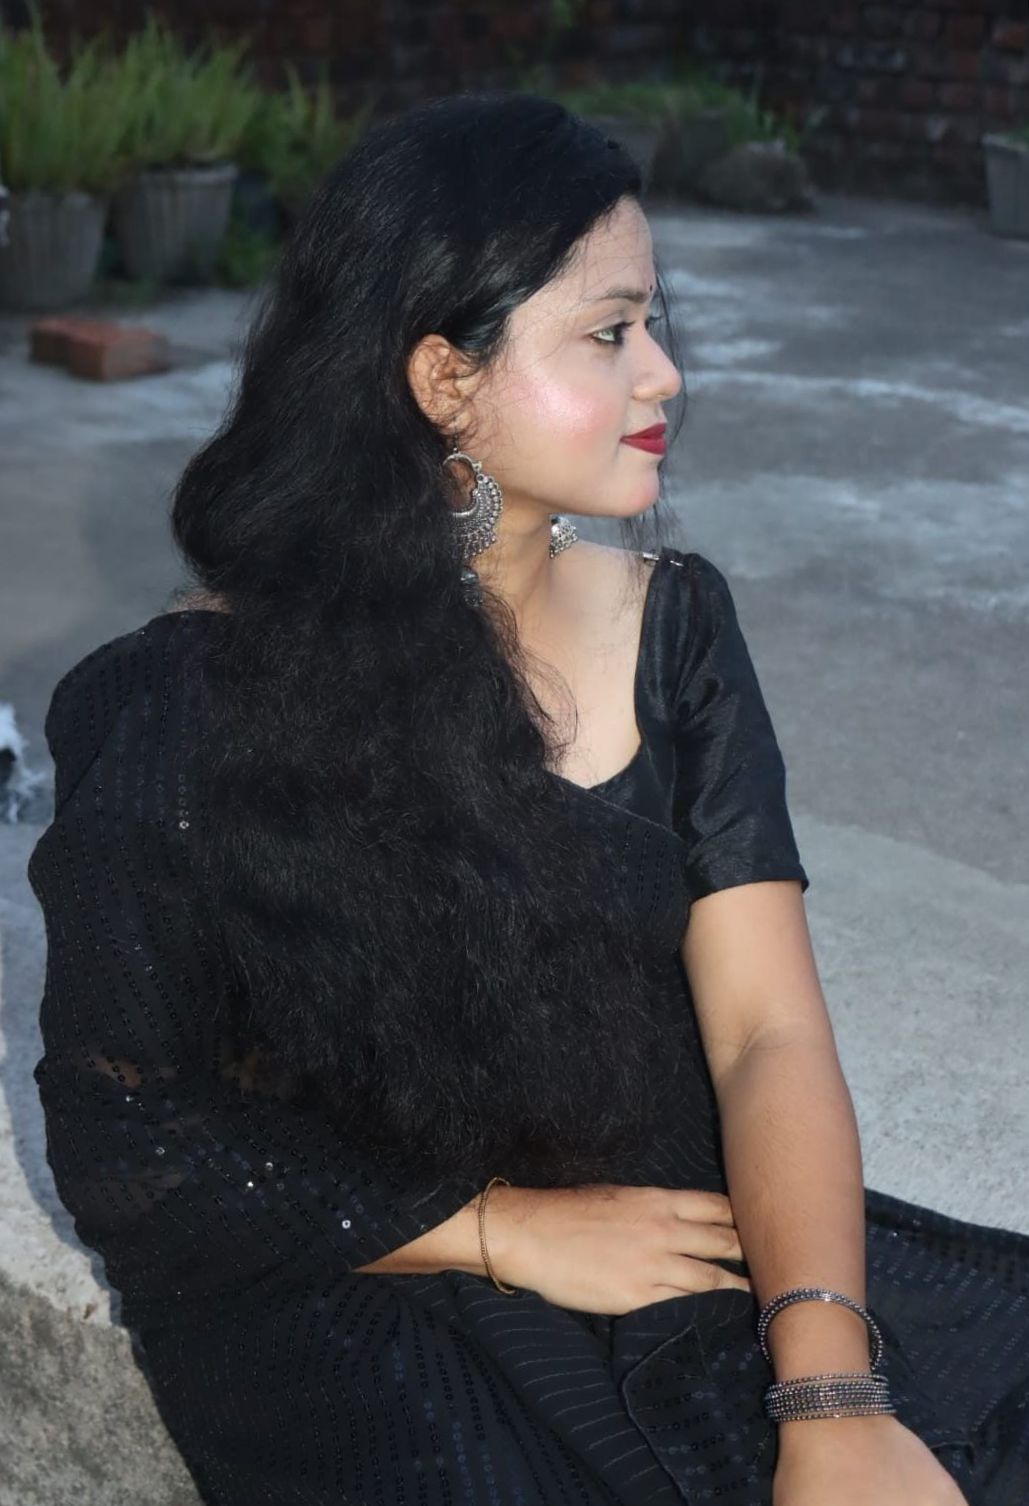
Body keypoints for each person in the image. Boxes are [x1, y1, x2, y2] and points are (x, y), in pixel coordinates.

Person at [28, 92, 1028, 1506]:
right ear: (445, 379)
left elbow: (766, 1034)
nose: (664, 373)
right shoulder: (183, 703)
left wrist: (827, 1389)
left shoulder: (675, 629)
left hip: (669, 1213)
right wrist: (503, 1230)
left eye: (653, 323)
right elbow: (129, 1133)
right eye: (609, 333)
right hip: (359, 1276)